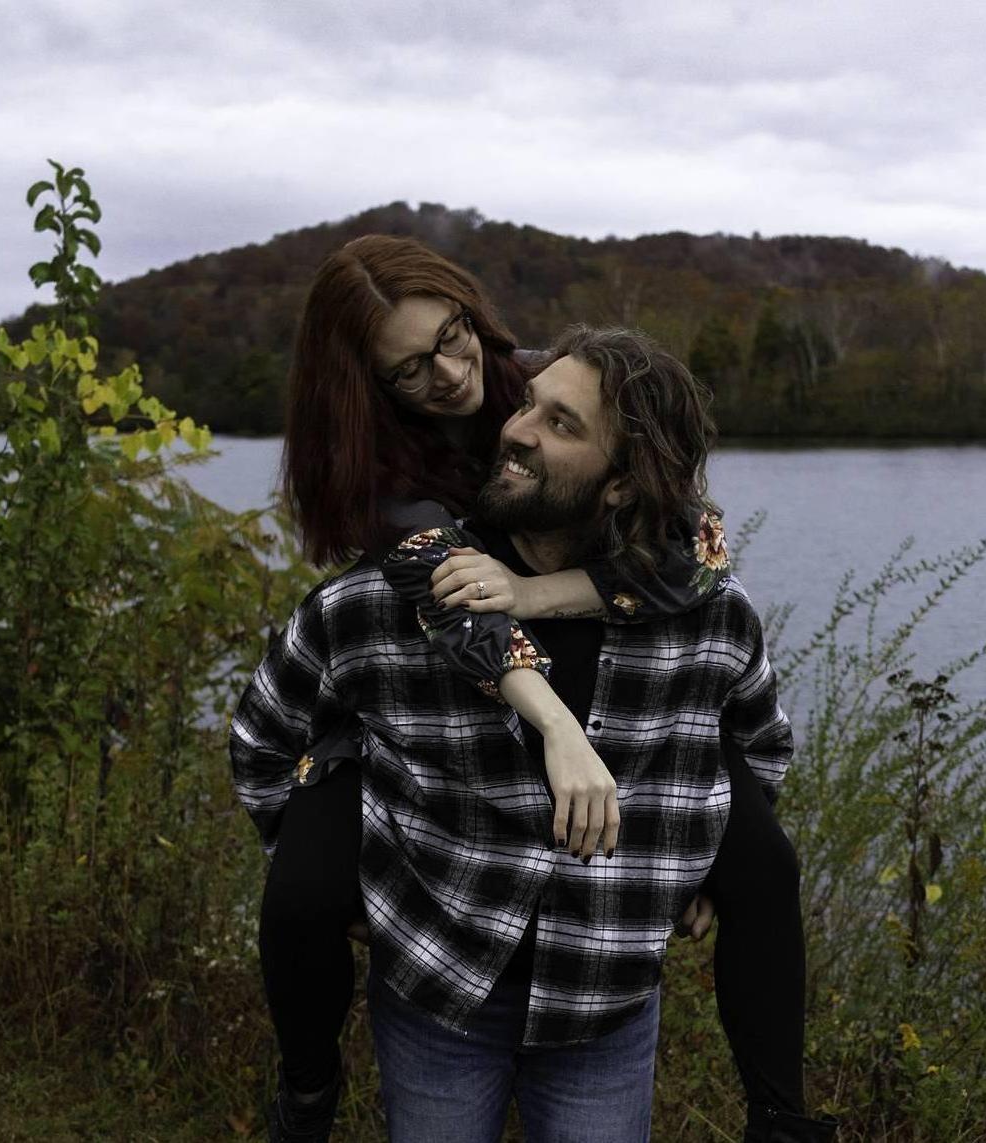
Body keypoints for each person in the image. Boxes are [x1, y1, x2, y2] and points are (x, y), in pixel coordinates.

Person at [232, 316, 836, 1140]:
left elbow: (760, 748)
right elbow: (263, 738)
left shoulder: (707, 618)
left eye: (561, 423)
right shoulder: (389, 596)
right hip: (437, 1000)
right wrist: (345, 881)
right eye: (528, 406)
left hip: (604, 1010)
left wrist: (700, 864)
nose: (517, 429)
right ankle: (304, 1100)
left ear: (620, 484)